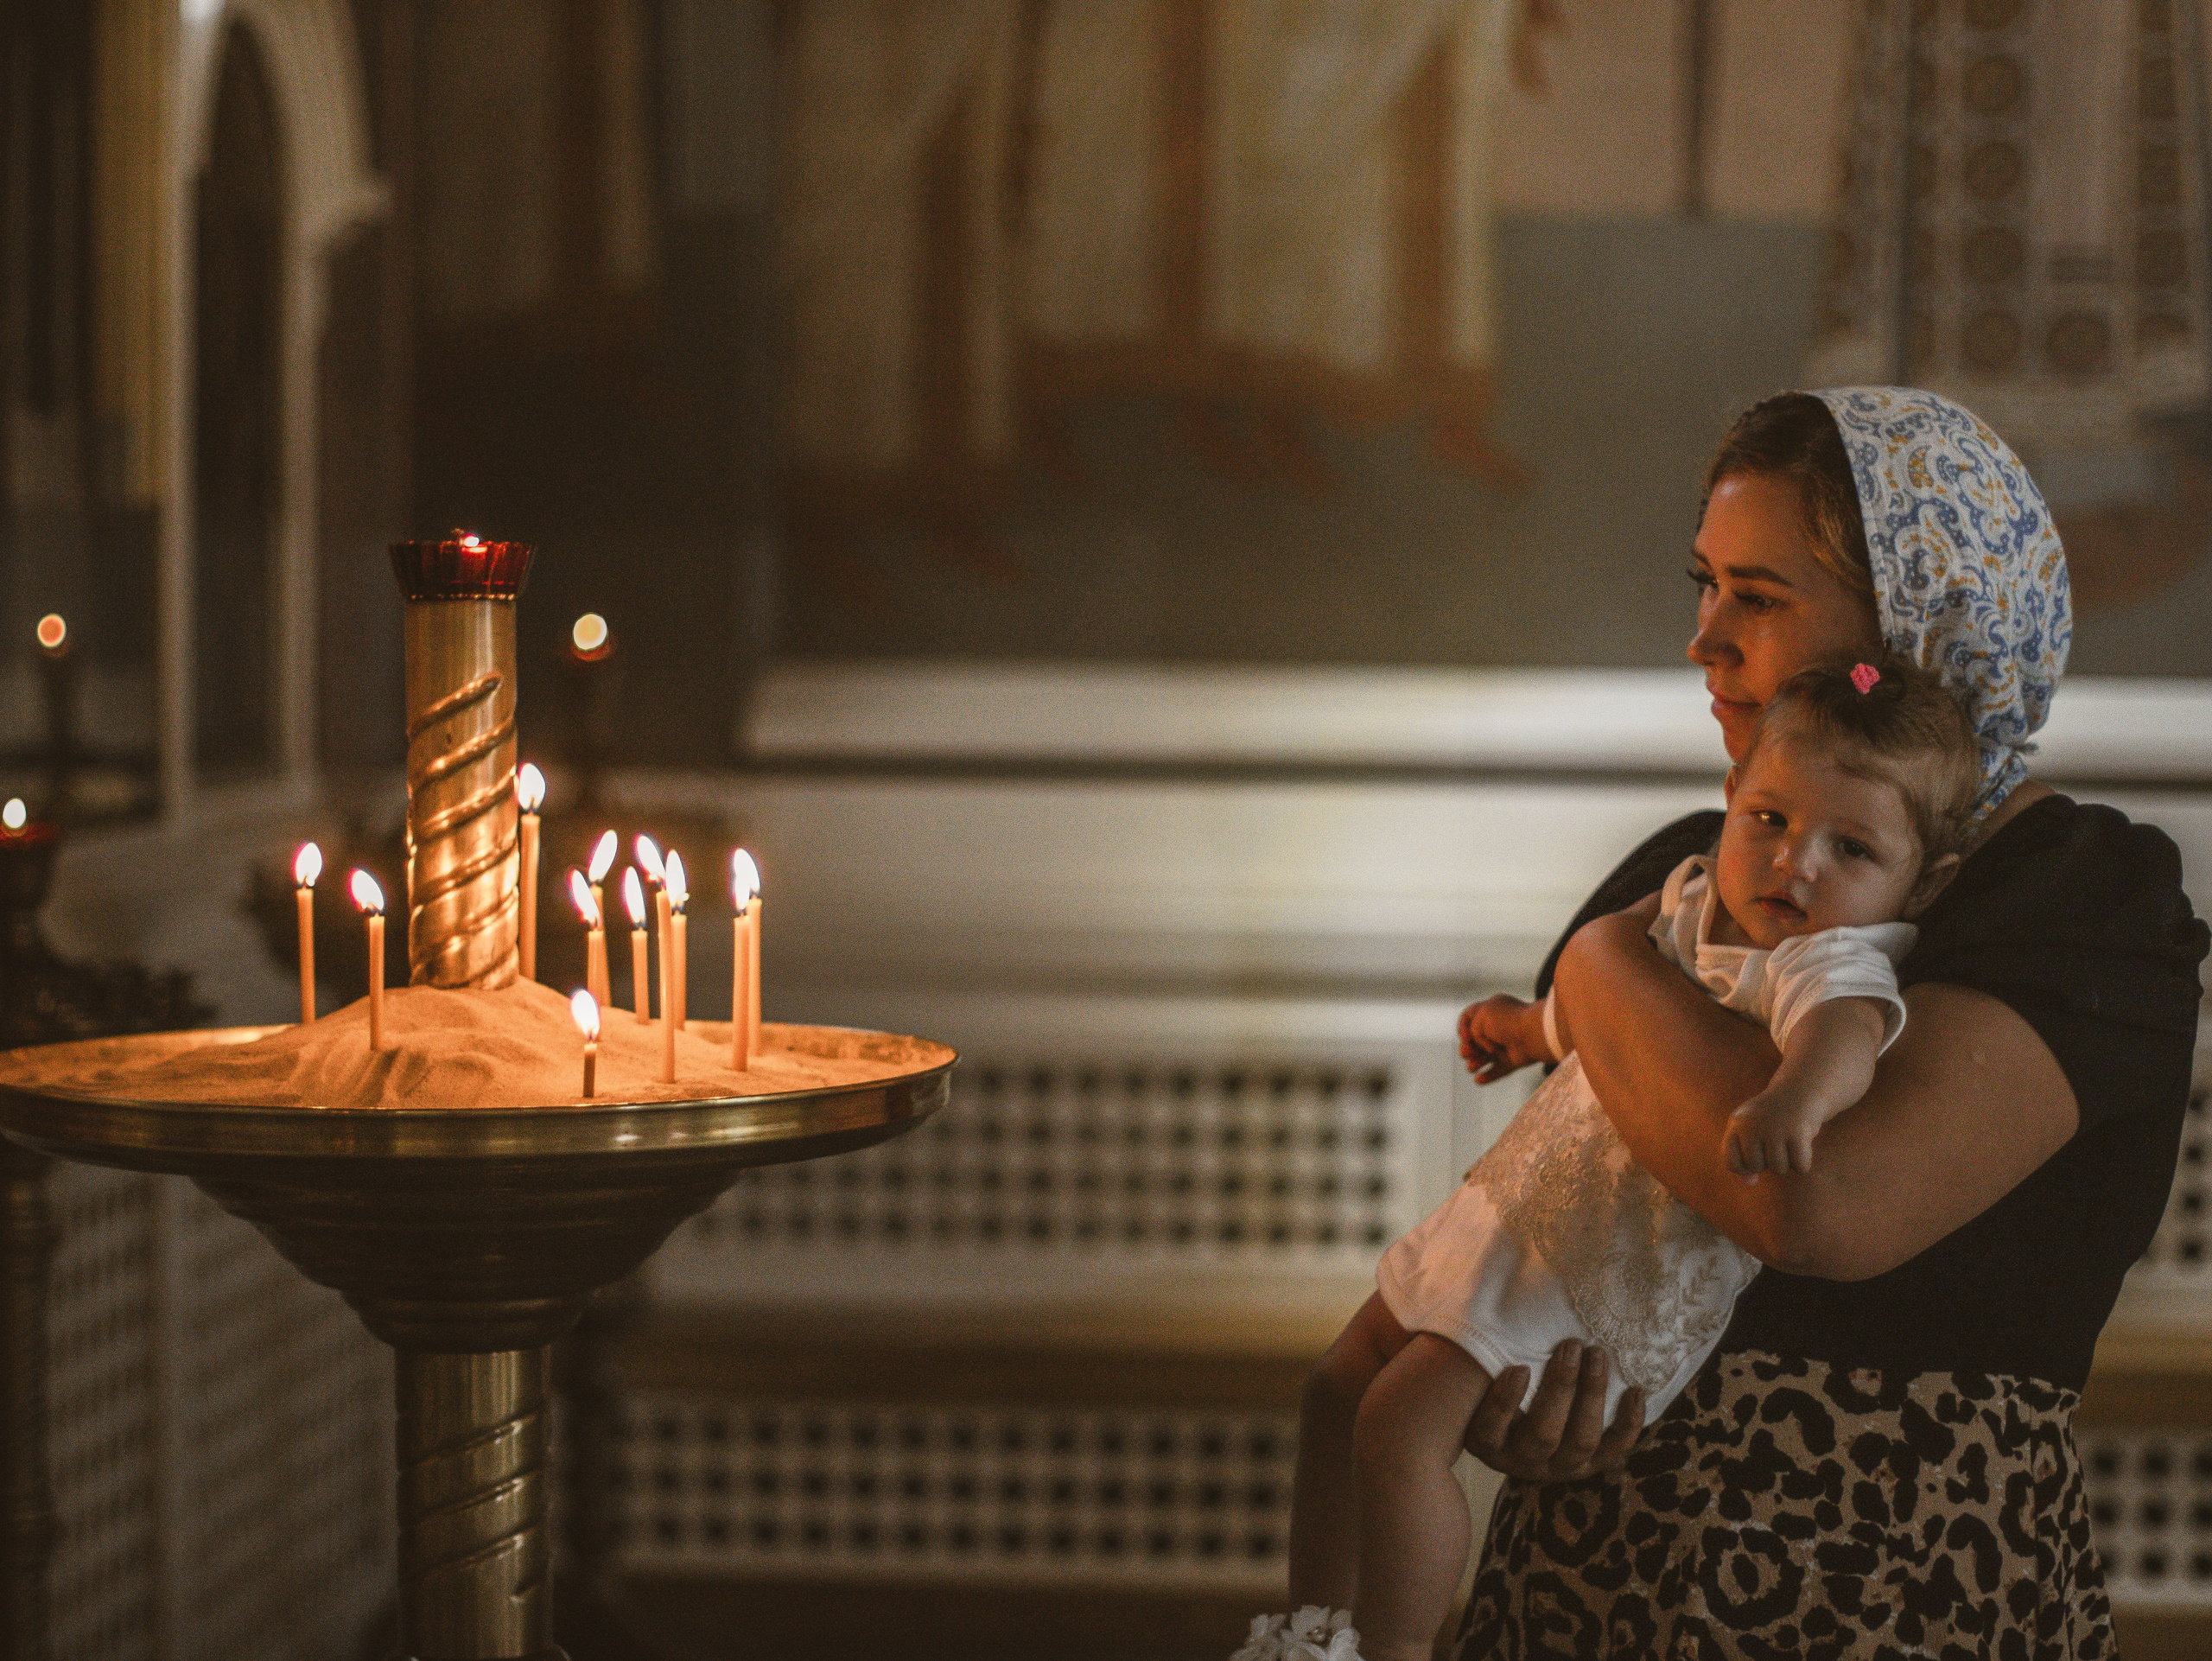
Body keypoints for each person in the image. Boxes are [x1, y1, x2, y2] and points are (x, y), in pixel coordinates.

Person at [1443, 387, 2208, 1657]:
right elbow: (1555, 1225)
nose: (1705, 638)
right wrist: (1502, 1381)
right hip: (1597, 1582)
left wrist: (1595, 961)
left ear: (1916, 623)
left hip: (1911, 1586)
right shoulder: (1690, 865)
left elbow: (1820, 1205)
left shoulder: (2087, 894)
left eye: (1759, 595)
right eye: (1704, 584)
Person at [1254, 656, 1979, 1661]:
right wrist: (1530, 1024)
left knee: (1397, 1426)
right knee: (1338, 1382)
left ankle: (1391, 1646)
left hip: (1600, 1260)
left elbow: (1843, 1038)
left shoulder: (1829, 958)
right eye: (1769, 820)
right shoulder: (1690, 899)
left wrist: (1790, 1096)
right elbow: (1610, 1005)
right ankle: (1306, 1631)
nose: (1794, 864)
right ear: (1730, 796)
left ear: (1922, 879)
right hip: (1525, 1202)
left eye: (1848, 846)